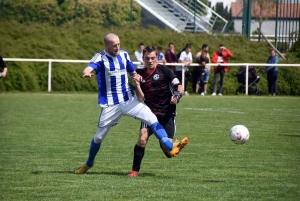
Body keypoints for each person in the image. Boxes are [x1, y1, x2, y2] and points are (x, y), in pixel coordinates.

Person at [75, 33, 188, 174]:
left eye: (118, 44)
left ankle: (170, 146)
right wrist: (87, 73)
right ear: (106, 46)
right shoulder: (100, 57)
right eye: (114, 45)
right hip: (111, 104)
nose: (117, 47)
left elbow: (132, 71)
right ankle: (89, 163)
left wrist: (136, 76)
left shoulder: (124, 55)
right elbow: (89, 67)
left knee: (152, 119)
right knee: (98, 137)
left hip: (129, 100)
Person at [128, 46, 185, 177]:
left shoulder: (165, 71)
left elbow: (179, 87)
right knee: (142, 139)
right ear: (143, 59)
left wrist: (176, 97)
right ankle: (134, 171)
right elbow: (141, 98)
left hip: (167, 114)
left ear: (157, 58)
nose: (150, 60)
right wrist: (137, 84)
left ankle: (172, 147)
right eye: (147, 58)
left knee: (167, 150)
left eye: (153, 58)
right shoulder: (139, 74)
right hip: (149, 114)